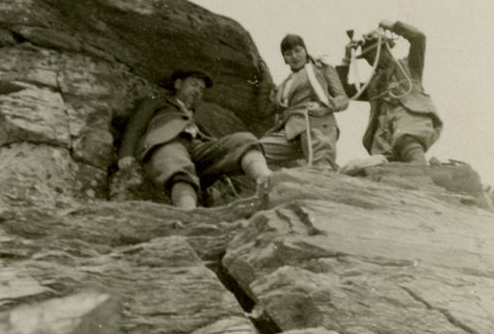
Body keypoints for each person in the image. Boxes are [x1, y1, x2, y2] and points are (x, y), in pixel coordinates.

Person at [116, 68, 272, 208]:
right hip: (166, 144)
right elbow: (135, 127)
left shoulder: (196, 120)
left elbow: (215, 145)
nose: (198, 91)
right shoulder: (156, 102)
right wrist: (126, 154)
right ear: (178, 84)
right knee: (177, 163)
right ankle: (188, 213)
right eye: (194, 84)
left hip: (198, 150)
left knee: (244, 139)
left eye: (201, 89)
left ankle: (267, 180)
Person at [337, 19, 442, 164]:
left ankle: (421, 171)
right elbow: (345, 91)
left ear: (386, 48)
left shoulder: (409, 66)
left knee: (407, 139)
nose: (374, 58)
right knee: (381, 162)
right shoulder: (372, 84)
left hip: (408, 122)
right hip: (383, 132)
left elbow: (418, 38)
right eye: (369, 57)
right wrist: (346, 59)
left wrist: (394, 27)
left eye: (377, 52)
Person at [260, 34, 349, 170]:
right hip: (290, 131)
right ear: (284, 59)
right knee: (255, 151)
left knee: (321, 171)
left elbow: (343, 99)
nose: (294, 56)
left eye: (297, 51)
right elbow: (266, 110)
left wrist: (326, 106)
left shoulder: (321, 69)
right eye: (288, 54)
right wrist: (263, 81)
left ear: (305, 51)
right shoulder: (284, 84)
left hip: (317, 126)